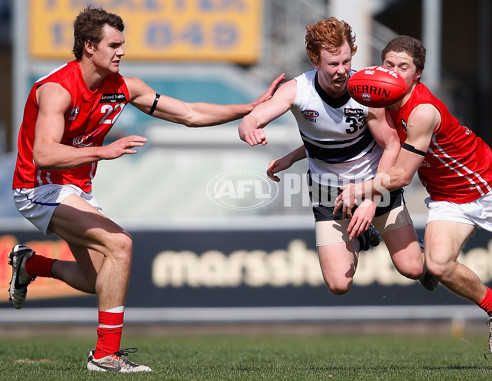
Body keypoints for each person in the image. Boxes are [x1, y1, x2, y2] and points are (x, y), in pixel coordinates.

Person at [7, 6, 284, 373]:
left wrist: (248, 108)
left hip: (74, 188)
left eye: (123, 44)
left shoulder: (124, 87)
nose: (122, 51)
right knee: (121, 243)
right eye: (114, 44)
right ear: (89, 46)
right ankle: (105, 356)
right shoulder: (57, 90)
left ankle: (30, 263)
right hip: (37, 188)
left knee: (97, 281)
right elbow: (43, 153)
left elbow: (189, 113)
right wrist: (102, 151)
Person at [335, 35, 492, 355]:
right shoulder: (378, 100)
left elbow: (402, 175)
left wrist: (361, 190)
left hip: (485, 186)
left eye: (403, 67)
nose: (394, 71)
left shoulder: (422, 112)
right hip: (447, 197)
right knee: (439, 265)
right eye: (389, 64)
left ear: (417, 74)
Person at [238, 17, 436, 298]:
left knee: (412, 269)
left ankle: (430, 258)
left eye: (346, 61)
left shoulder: (367, 90)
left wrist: (371, 200)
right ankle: (364, 237)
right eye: (333, 64)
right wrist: (250, 129)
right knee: (339, 285)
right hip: (328, 191)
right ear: (314, 60)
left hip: (373, 182)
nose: (342, 70)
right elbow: (254, 118)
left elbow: (391, 146)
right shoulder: (297, 91)